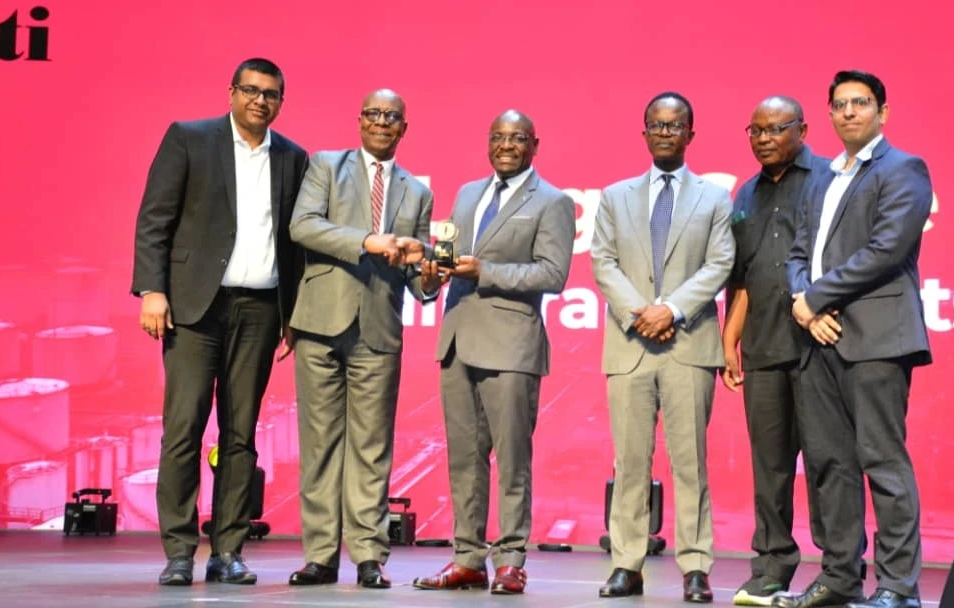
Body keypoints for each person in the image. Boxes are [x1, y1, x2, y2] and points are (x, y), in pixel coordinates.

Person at [131, 57, 308, 586]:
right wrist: (153, 290)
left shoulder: (293, 158)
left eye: (271, 94)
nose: (260, 100)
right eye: (251, 90)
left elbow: (295, 245)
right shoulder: (190, 138)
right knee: (182, 429)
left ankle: (227, 550)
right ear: (232, 92)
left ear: (281, 101)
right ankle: (180, 551)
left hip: (260, 309)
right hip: (192, 308)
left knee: (241, 435)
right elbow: (154, 218)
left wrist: (292, 315)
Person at [779, 70, 932, 608]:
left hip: (876, 338)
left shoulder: (903, 169)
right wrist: (803, 306)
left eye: (860, 103)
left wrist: (816, 298)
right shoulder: (822, 176)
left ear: (882, 113)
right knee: (828, 466)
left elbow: (887, 249)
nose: (849, 112)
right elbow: (798, 252)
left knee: (882, 463)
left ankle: (897, 586)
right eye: (840, 104)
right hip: (817, 339)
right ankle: (840, 578)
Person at [411, 109, 575, 595]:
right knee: (464, 459)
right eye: (498, 137)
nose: (506, 145)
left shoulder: (552, 201)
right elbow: (445, 261)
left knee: (512, 459)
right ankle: (466, 558)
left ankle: (510, 560)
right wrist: (429, 278)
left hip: (512, 345)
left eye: (517, 138)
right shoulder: (466, 193)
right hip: (458, 340)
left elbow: (553, 274)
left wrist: (486, 271)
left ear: (534, 145)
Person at [286, 89, 433, 589]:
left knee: (372, 447)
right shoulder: (327, 166)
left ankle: (369, 555)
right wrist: (366, 241)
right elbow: (302, 225)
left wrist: (430, 277)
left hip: (378, 326)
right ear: (359, 120)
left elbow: (416, 276)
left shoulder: (417, 192)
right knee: (320, 445)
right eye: (374, 114)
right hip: (319, 322)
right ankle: (320, 555)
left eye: (393, 117)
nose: (382, 123)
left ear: (404, 128)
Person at [590, 92, 734, 603]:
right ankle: (626, 564)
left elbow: (719, 264)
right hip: (630, 344)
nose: (665, 132)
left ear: (691, 133)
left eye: (675, 125)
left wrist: (669, 309)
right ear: (645, 131)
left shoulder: (715, 198)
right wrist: (641, 312)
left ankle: (695, 566)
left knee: (690, 462)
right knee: (629, 463)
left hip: (688, 343)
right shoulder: (614, 196)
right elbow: (603, 262)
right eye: (656, 124)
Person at [721, 96, 829, 606]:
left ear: (803, 129)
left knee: (829, 464)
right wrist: (729, 342)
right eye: (755, 130)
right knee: (771, 468)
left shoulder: (830, 180)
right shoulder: (746, 194)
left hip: (819, 350)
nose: (763, 138)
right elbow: (741, 276)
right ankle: (771, 566)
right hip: (762, 348)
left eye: (775, 129)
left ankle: (837, 571)